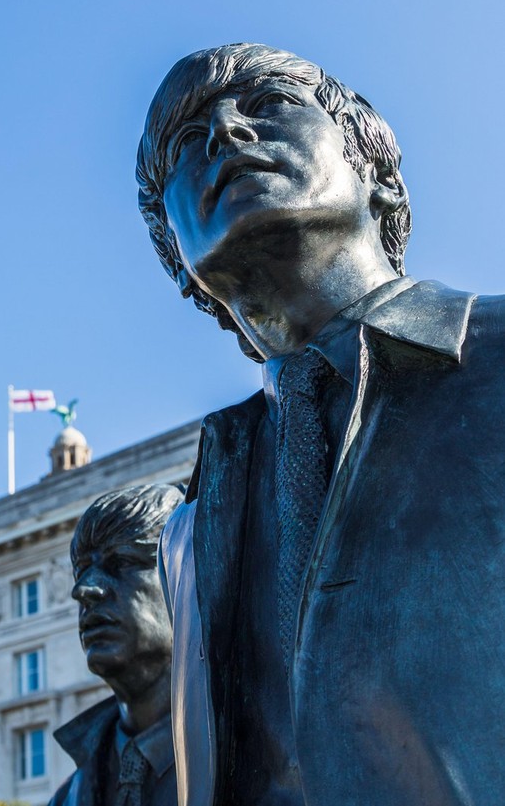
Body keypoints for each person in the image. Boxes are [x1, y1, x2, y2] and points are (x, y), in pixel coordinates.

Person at [137, 42, 505, 806]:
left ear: (377, 171)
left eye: (269, 104)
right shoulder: (190, 527)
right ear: (177, 257)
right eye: (186, 143)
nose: (229, 134)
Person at [49, 485, 180, 806]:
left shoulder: (263, 760)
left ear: (184, 577)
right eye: (82, 571)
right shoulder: (67, 798)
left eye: (121, 561)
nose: (84, 589)